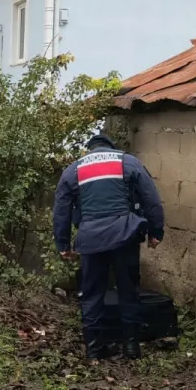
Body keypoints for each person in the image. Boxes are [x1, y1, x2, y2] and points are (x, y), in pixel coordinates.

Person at [53, 134, 164, 361]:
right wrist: (156, 232)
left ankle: (94, 350)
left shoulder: (74, 169)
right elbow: (150, 198)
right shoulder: (127, 161)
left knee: (92, 293)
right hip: (125, 236)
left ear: (90, 149)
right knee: (128, 290)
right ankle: (132, 348)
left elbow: (61, 210)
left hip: (91, 240)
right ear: (110, 147)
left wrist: (63, 244)